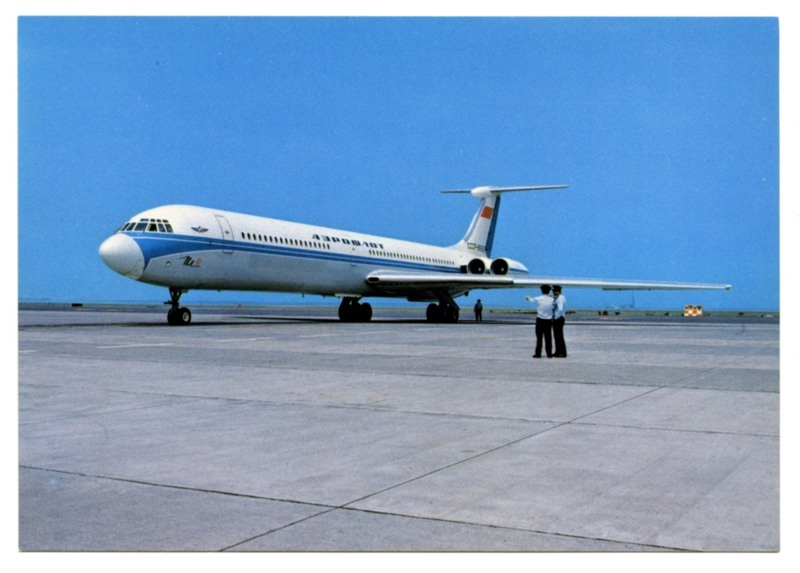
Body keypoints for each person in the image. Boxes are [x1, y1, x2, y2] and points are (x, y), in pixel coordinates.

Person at [526, 285, 554, 358]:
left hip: (540, 320)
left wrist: (528, 298)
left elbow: (531, 300)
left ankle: (538, 353)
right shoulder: (552, 299)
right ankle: (549, 353)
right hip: (548, 320)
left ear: (542, 291)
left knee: (539, 338)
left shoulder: (539, 298)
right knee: (548, 337)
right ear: (549, 291)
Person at [552, 285, 567, 357]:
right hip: (559, 318)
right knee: (557, 336)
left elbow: (560, 309)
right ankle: (558, 351)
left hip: (559, 318)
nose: (553, 292)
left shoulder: (560, 298)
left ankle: (562, 352)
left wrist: (555, 317)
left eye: (554, 291)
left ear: (558, 291)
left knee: (559, 336)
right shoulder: (559, 297)